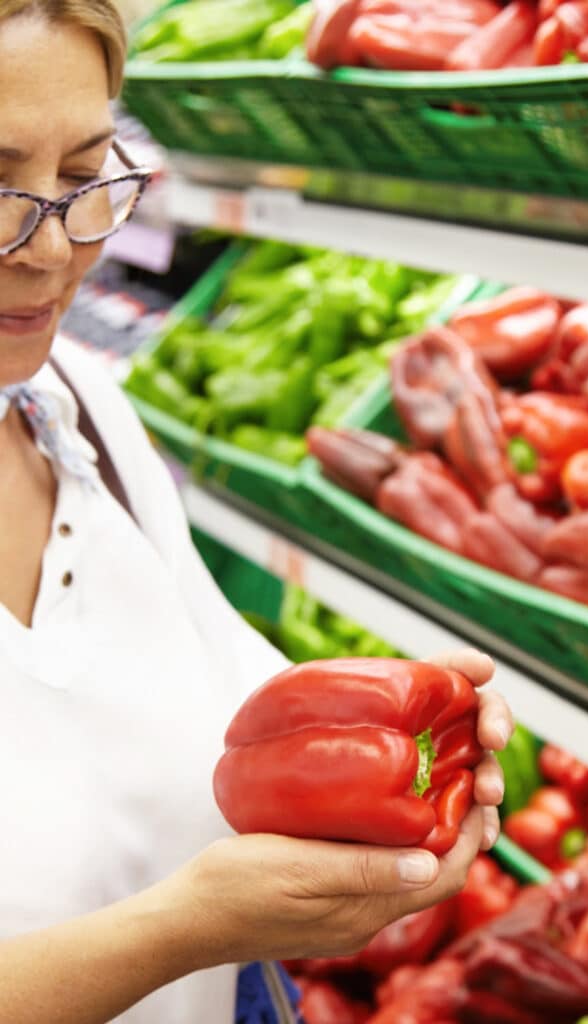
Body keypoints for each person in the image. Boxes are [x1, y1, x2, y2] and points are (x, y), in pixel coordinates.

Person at [0, 2, 513, 1022]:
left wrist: (398, 723)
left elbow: (231, 690)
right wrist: (182, 930)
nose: (50, 250)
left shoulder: (77, 410)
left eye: (82, 176)